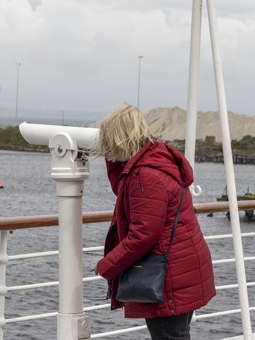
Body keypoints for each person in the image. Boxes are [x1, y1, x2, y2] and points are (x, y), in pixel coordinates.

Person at [92, 103, 216, 340]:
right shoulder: (155, 159)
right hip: (180, 267)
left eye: (108, 141)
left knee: (169, 336)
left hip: (168, 275)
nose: (105, 146)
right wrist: (113, 159)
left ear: (118, 139)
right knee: (176, 334)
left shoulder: (146, 176)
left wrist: (107, 266)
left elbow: (143, 236)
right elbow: (124, 191)